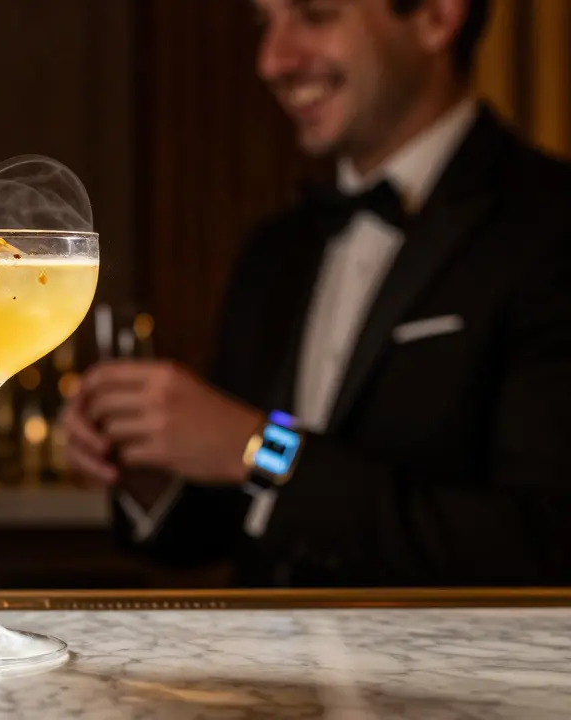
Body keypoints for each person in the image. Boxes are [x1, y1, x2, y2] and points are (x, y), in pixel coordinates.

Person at [62, 0, 571, 587]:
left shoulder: (551, 226)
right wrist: (153, 470)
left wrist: (260, 448)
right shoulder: (274, 250)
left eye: (315, 15)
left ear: (436, 16)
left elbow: (545, 543)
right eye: (265, 24)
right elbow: (226, 525)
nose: (272, 61)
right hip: (265, 675)